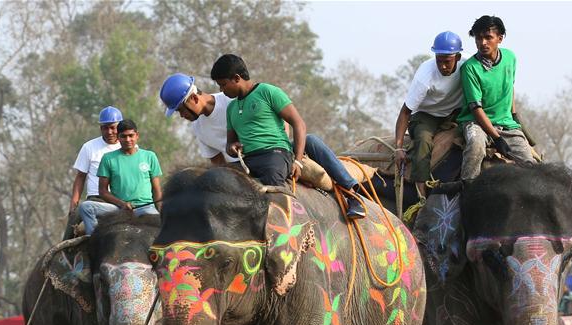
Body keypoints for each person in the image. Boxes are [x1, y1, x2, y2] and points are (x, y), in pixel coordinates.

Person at [161, 71, 365, 218]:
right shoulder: (198, 129)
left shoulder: (232, 99)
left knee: (310, 140)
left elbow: (280, 121)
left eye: (181, 109)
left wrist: (289, 156)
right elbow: (217, 162)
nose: (181, 116)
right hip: (242, 168)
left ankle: (352, 192)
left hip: (274, 151)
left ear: (194, 98)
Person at [209, 54, 366, 218]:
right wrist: (232, 147)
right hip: (247, 160)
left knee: (273, 194)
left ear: (236, 78)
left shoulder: (268, 92)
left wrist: (297, 161)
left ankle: (353, 193)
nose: (221, 90)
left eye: (223, 85)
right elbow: (230, 143)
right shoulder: (231, 108)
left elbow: (298, 124)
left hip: (274, 154)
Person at [456, 15, 535, 179]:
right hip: (475, 122)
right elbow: (476, 109)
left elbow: (510, 86)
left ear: (500, 39)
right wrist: (497, 138)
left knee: (531, 164)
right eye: (478, 38)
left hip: (506, 123)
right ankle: (467, 187)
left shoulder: (510, 58)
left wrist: (514, 116)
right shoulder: (470, 68)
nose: (482, 42)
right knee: (476, 146)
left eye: (488, 37)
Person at [393, 31, 464, 193]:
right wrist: (398, 148)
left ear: (458, 58)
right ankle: (421, 191)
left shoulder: (468, 64)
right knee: (423, 141)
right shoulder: (425, 76)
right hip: (427, 115)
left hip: (456, 112)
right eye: (439, 61)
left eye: (447, 61)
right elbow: (405, 112)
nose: (443, 66)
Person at [87, 119, 162, 235]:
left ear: (137, 136)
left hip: (145, 207)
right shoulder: (108, 158)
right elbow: (102, 191)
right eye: (123, 136)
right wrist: (121, 204)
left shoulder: (150, 156)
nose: (128, 140)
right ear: (118, 137)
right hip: (118, 208)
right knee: (86, 208)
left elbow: (156, 188)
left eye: (131, 136)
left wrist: (160, 211)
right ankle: (93, 241)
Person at [73, 106, 124, 236]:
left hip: (122, 200)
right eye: (105, 128)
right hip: (96, 200)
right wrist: (74, 201)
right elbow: (80, 177)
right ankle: (63, 252)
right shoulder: (89, 147)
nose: (110, 132)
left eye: (113, 127)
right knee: (74, 222)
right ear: (100, 128)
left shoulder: (129, 147)